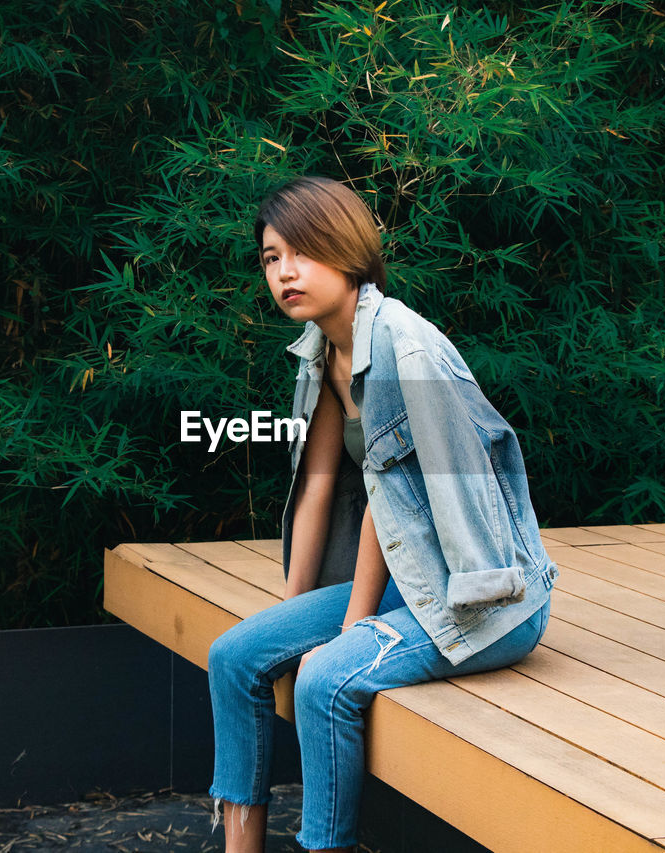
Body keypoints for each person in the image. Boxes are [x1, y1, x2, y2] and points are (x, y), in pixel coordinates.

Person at [206, 176, 557, 853]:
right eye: (270, 257)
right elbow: (317, 487)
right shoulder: (323, 352)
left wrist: (350, 626)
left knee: (324, 678)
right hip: (414, 574)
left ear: (345, 249)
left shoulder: (403, 344)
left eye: (301, 252)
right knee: (235, 654)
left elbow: (385, 499)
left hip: (484, 595)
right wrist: (286, 616)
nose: (284, 272)